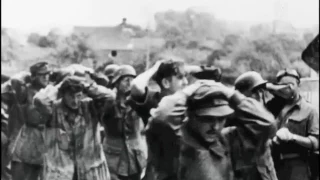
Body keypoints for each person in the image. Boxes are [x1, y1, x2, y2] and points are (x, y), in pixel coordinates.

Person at [149, 81, 277, 180]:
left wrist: (231, 94)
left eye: (221, 119)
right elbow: (162, 117)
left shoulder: (225, 140)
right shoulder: (175, 142)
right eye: (207, 119)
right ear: (191, 115)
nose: (215, 127)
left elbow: (267, 125)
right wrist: (186, 92)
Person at [36, 76, 114, 180]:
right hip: (61, 172)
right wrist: (58, 87)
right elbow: (40, 100)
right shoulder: (53, 110)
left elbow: (110, 97)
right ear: (62, 95)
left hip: (91, 171)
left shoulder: (90, 107)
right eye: (70, 96)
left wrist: (87, 86)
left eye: (78, 95)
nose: (75, 101)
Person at [130, 57, 189, 180]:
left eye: (185, 77)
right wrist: (155, 67)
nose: (186, 82)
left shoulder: (188, 102)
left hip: (184, 170)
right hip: (159, 173)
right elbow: (136, 86)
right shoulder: (154, 101)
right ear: (166, 83)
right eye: (180, 77)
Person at [265, 69, 319, 180]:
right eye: (283, 85)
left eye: (291, 84)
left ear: (299, 86)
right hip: (272, 166)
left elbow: (315, 143)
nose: (288, 88)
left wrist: (292, 137)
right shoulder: (272, 107)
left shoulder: (310, 110)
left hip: (297, 167)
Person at [1, 62, 51, 180]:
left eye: (48, 74)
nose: (46, 77)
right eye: (42, 74)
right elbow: (14, 81)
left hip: (47, 138)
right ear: (33, 76)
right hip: (27, 139)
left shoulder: (51, 91)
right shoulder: (25, 91)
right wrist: (27, 76)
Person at [102, 65, 148, 180]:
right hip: (114, 157)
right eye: (125, 80)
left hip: (135, 157)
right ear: (116, 83)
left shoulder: (138, 102)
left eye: (132, 80)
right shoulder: (108, 101)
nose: (130, 83)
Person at [234, 71, 278, 180]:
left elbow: (287, 94)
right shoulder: (232, 117)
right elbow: (269, 123)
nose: (260, 95)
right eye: (255, 91)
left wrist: (271, 87)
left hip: (266, 173)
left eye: (261, 91)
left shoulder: (264, 112)